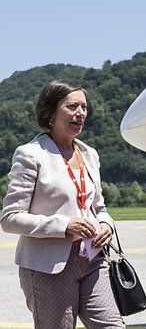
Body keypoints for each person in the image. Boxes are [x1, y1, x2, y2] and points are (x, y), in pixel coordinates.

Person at [1, 80, 124, 329]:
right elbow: (10, 218)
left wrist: (105, 223)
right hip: (49, 267)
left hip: (92, 259)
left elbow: (99, 207)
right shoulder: (30, 154)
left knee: (112, 326)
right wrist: (64, 225)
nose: (80, 113)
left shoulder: (89, 153)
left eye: (84, 107)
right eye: (72, 106)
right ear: (50, 111)